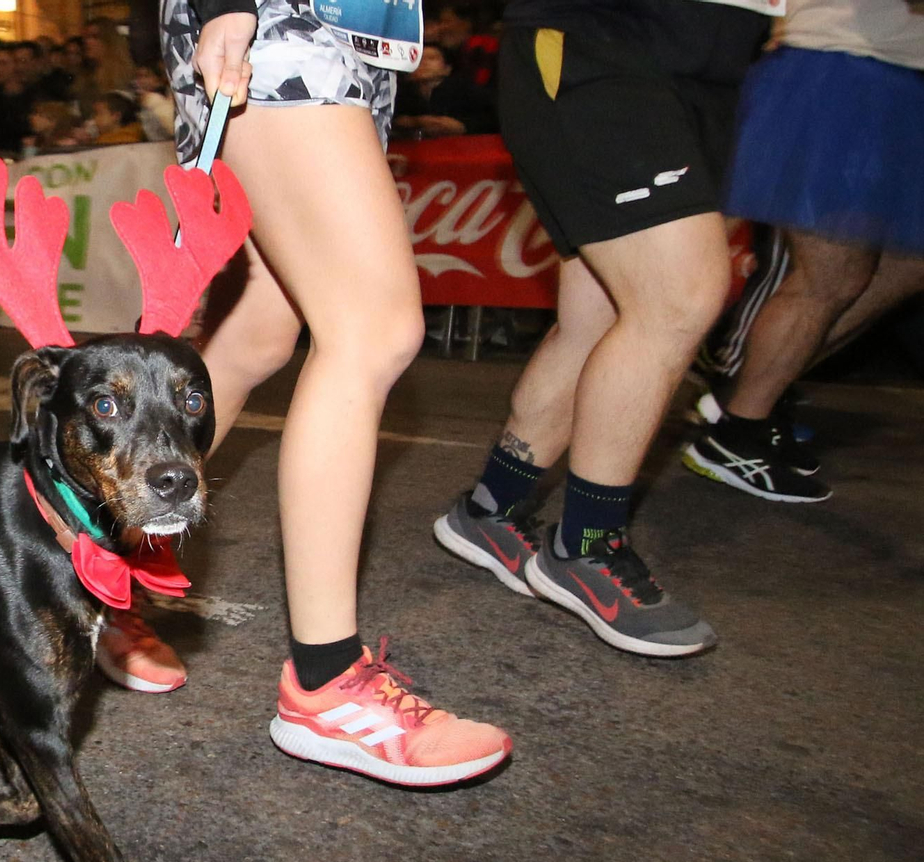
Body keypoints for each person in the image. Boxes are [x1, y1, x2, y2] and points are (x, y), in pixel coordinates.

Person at [104, 0, 512, 786]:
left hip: (340, 38)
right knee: (372, 331)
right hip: (279, 19)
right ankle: (326, 685)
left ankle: (80, 570)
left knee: (257, 331)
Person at [431, 0, 773, 659]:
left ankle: (490, 509)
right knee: (675, 300)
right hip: (604, 37)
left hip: (715, 59)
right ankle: (586, 547)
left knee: (604, 317)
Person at [682, 0, 924, 504]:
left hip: (895, 78)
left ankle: (750, 392)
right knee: (831, 276)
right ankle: (738, 429)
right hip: (844, 71)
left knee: (906, 264)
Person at [392, 45, 496, 137]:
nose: (423, 63)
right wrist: (414, 122)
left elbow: (491, 119)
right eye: (417, 58)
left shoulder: (466, 89)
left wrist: (463, 126)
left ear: (447, 68)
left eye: (431, 58)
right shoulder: (397, 92)